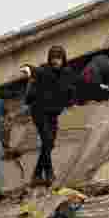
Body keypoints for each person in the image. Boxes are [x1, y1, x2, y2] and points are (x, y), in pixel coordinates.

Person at [24, 45, 75, 187]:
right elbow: (31, 68)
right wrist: (27, 69)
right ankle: (49, 173)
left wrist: (70, 102)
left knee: (50, 143)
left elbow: (70, 90)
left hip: (53, 113)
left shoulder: (67, 73)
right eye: (53, 58)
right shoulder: (44, 70)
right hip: (39, 111)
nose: (56, 61)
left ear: (63, 59)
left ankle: (36, 174)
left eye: (58, 58)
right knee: (47, 140)